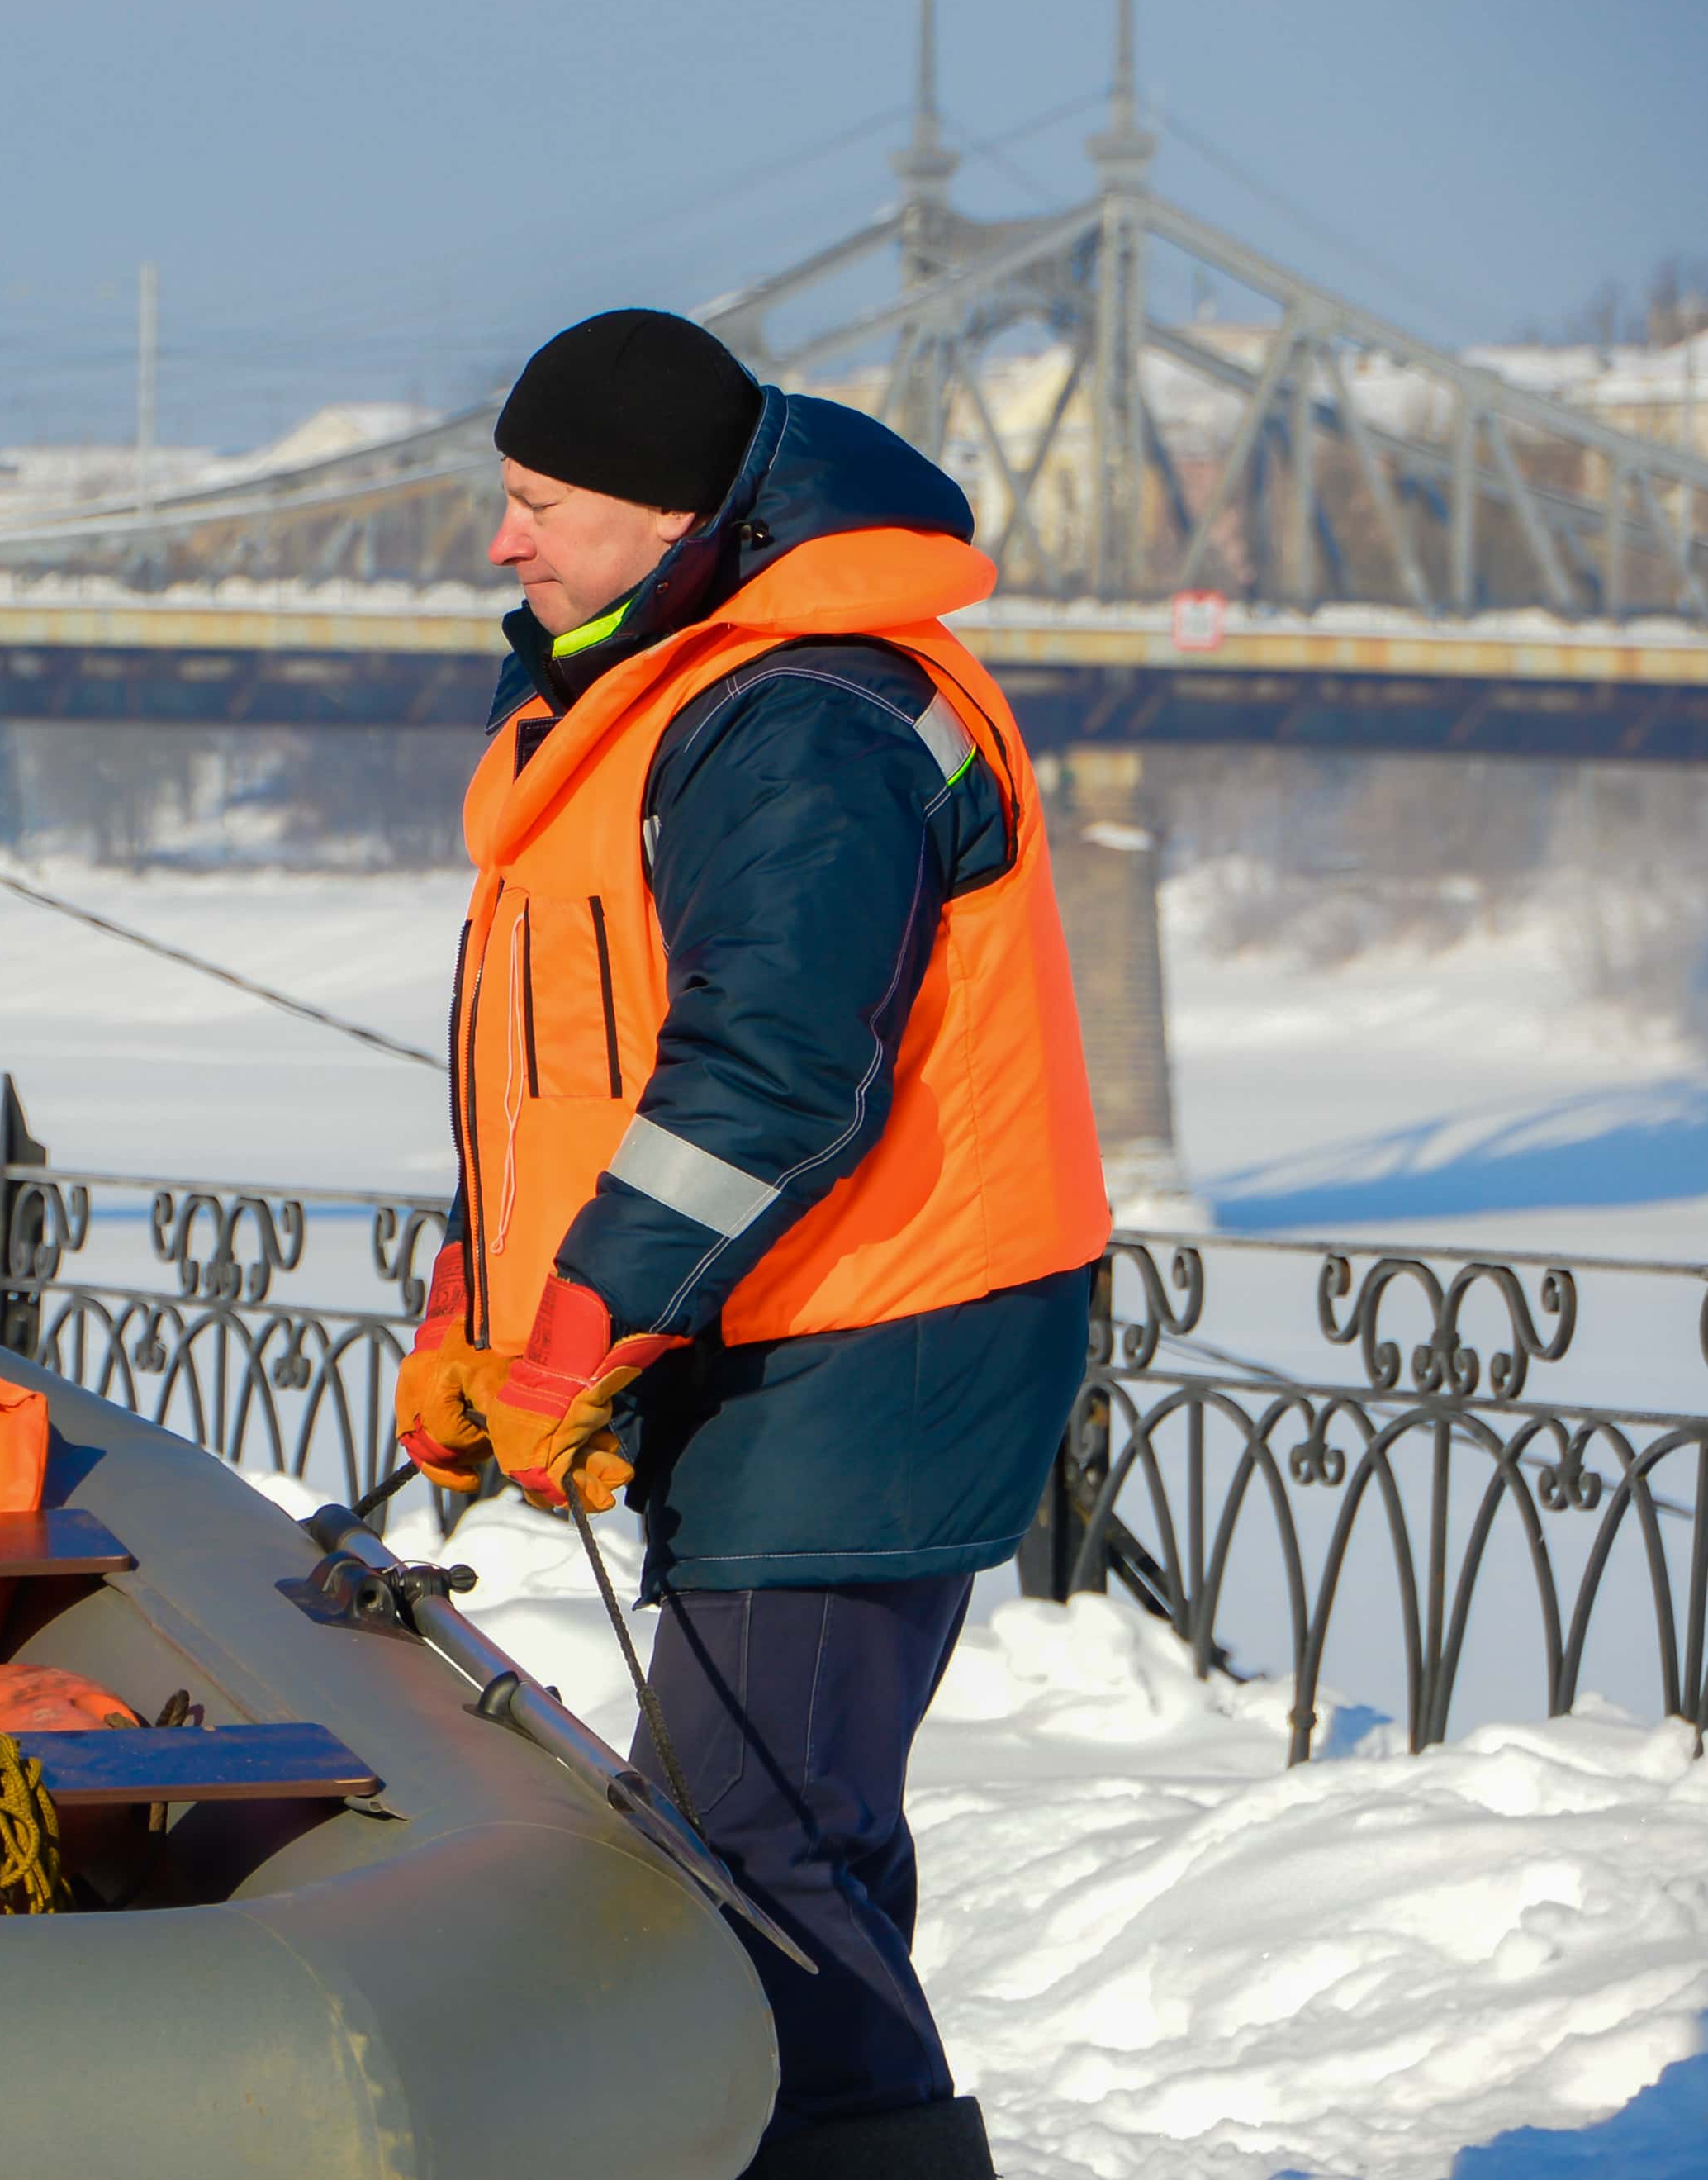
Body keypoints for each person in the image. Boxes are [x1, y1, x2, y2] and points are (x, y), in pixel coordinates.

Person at [395, 308, 1108, 2180]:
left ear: (663, 511)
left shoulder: (803, 713)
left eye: (542, 504)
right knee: (793, 1836)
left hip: (882, 1334)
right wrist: (480, 1294)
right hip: (783, 1324)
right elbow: (585, 1051)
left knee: (751, 1841)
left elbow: (769, 1078)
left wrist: (583, 1325)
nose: (504, 543)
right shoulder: (663, 678)